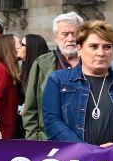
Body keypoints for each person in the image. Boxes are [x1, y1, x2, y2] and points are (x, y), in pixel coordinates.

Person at [41, 21, 113, 148]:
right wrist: (83, 150)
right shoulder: (59, 80)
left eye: (107, 47)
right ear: (79, 49)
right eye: (93, 46)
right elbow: (52, 121)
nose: (101, 53)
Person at [23, 12, 84, 140]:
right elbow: (30, 108)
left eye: (75, 33)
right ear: (56, 37)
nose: (70, 38)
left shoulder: (93, 62)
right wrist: (35, 138)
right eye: (65, 34)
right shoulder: (42, 64)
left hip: (85, 141)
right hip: (49, 141)